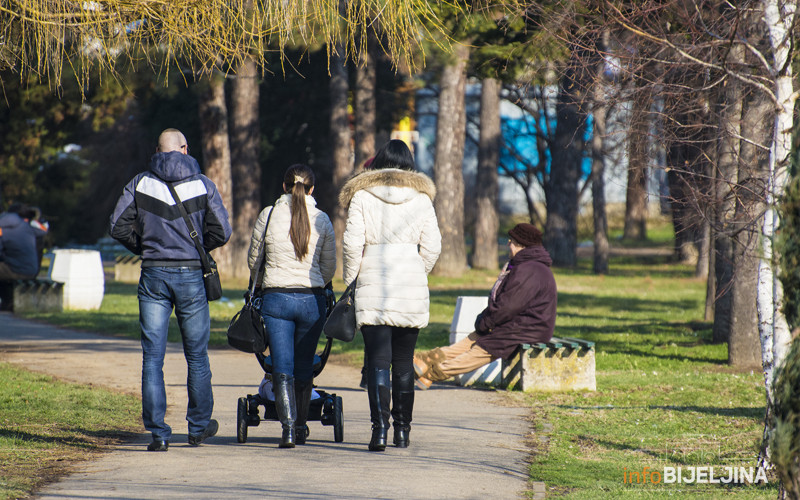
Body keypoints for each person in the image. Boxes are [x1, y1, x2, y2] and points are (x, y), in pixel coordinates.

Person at [109, 128, 232, 452]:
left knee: (152, 358)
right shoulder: (202, 184)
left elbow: (117, 225)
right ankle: (198, 427)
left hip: (153, 276)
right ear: (184, 149)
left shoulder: (140, 183)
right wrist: (197, 250)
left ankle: (159, 433)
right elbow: (222, 230)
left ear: (158, 151)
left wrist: (144, 248)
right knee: (197, 356)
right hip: (191, 276)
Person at [339, 139, 441, 451]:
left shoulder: (361, 196)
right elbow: (433, 246)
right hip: (409, 284)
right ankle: (403, 432)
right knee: (403, 361)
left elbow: (352, 244)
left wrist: (351, 280)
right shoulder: (422, 198)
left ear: (380, 162)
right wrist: (416, 270)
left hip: (373, 283)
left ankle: (379, 430)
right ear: (410, 164)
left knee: (378, 361)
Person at [247, 164, 336, 448]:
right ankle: (300, 426)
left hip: (276, 299)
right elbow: (329, 267)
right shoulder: (322, 219)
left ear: (284, 187)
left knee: (281, 366)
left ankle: (286, 429)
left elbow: (254, 260)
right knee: (303, 366)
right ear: (312, 190)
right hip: (311, 301)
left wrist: (261, 281)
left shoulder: (268, 215)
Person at [413, 223, 557, 389]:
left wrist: (486, 322)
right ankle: (426, 360)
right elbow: (506, 305)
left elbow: (508, 306)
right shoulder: (528, 266)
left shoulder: (530, 270)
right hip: (518, 325)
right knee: (472, 340)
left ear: (520, 244)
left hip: (528, 330)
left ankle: (433, 373)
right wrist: (485, 321)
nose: (508, 244)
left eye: (511, 241)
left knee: (483, 349)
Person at [0, 203, 49, 310]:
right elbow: (43, 231)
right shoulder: (26, 226)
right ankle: (8, 302)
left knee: (4, 271)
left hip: (18, 269)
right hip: (32, 269)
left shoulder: (3, 228)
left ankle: (7, 302)